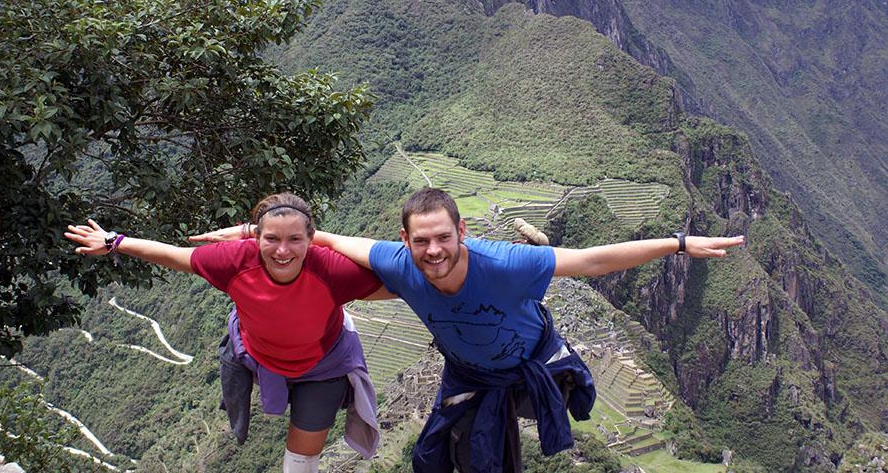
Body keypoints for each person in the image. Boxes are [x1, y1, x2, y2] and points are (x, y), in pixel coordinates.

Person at [195, 187, 744, 472]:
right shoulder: (396, 262)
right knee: (434, 459)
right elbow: (325, 240)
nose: (432, 251)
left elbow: (593, 260)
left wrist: (677, 243)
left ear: (461, 230)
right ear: (405, 241)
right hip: (466, 373)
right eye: (420, 241)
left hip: (534, 365)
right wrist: (252, 232)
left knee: (508, 444)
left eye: (442, 237)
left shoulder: (506, 263)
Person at [65, 192, 393, 473]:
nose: (282, 251)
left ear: (312, 240)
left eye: (295, 239)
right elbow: (175, 256)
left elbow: (402, 275)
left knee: (302, 457)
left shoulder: (330, 269)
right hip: (259, 354)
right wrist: (114, 241)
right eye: (271, 239)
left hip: (323, 365)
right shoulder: (236, 260)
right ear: (255, 240)